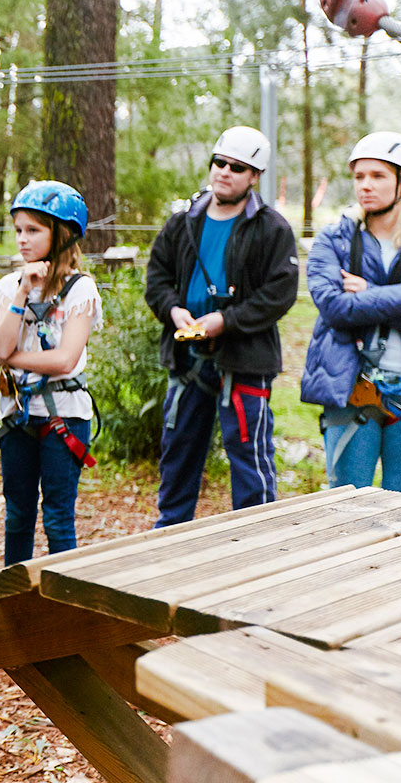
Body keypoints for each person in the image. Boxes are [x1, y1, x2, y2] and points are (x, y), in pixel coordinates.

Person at [144, 127, 299, 528]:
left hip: (244, 359)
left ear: (254, 176)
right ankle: (170, 535)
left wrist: (225, 321)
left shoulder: (271, 228)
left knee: (248, 454)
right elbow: (157, 276)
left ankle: (255, 537)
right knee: (178, 451)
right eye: (220, 162)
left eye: (237, 167)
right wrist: (173, 310)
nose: (225, 172)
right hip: (187, 358)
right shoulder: (183, 222)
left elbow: (279, 293)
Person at [303, 132, 401, 493]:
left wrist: (372, 295)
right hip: (352, 391)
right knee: (346, 505)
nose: (365, 186)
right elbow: (334, 308)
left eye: (378, 176)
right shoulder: (335, 240)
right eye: (359, 177)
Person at [0, 181, 101, 565]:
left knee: (57, 519)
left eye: (33, 230)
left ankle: (63, 601)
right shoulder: (8, 287)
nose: (22, 239)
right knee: (17, 515)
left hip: (62, 415)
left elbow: (65, 360)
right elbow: (0, 348)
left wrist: (10, 357)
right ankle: (12, 600)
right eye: (18, 230)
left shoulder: (80, 291)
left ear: (62, 234)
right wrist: (22, 293)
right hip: (17, 416)